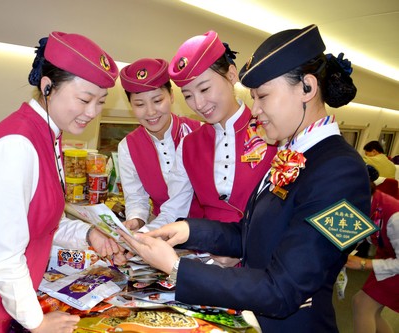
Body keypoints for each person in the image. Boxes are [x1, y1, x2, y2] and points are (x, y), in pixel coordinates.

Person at [120, 24, 371, 332]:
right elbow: (249, 234)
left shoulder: (343, 172)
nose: (257, 110)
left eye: (263, 96)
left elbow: (284, 289)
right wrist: (188, 230)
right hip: (250, 313)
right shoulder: (294, 154)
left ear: (307, 87)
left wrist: (176, 267)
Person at [0, 31, 124, 333]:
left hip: (0, 306)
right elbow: (2, 256)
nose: (92, 112)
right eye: (84, 99)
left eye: (100, 102)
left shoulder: (48, 136)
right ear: (47, 86)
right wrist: (37, 322)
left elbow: (36, 223)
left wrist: (89, 234)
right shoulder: (17, 145)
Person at [147, 30, 277, 230]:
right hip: (206, 253)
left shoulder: (274, 132)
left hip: (259, 254)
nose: (198, 104)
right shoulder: (189, 145)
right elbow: (174, 210)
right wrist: (143, 236)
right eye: (188, 96)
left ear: (231, 75)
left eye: (205, 89)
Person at [117, 58, 201, 231]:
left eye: (157, 101)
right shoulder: (128, 147)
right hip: (160, 227)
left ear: (171, 96)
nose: (151, 112)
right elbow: (136, 198)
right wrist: (135, 220)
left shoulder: (198, 133)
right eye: (140, 104)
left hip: (206, 229)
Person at [345, 165, 399, 333]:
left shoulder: (394, 216)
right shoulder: (367, 204)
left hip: (394, 264)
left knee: (363, 306)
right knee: (364, 306)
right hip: (386, 257)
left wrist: (363, 263)